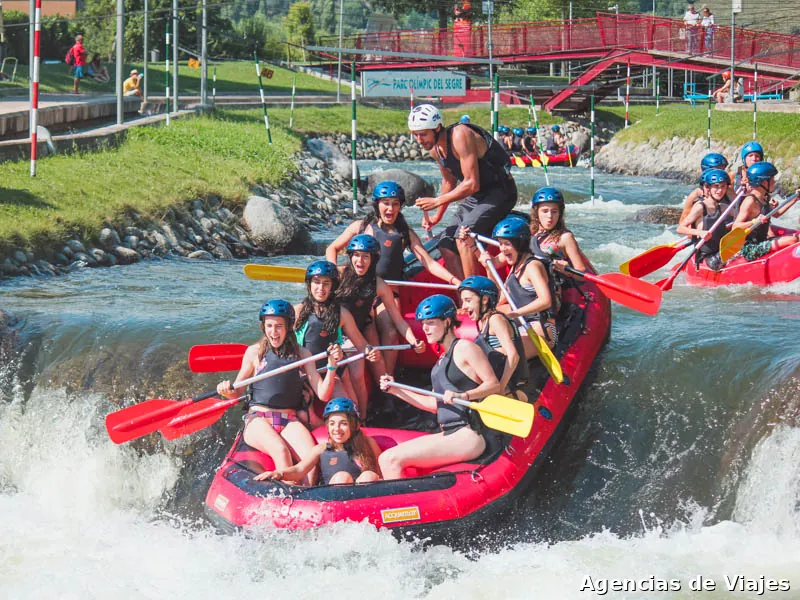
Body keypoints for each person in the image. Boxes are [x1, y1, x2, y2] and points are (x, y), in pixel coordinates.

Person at [326, 183, 456, 373]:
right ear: (377, 205)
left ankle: (387, 378)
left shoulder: (404, 233)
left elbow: (428, 263)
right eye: (386, 203)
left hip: (387, 293)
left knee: (391, 332)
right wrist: (332, 275)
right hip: (358, 291)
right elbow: (332, 248)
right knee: (369, 332)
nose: (390, 209)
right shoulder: (361, 227)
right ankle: (374, 374)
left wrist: (455, 282)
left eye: (395, 204)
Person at [216, 300, 343, 485]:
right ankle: (289, 496)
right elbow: (237, 392)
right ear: (263, 327)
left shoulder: (303, 354)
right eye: (269, 326)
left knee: (311, 461)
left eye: (279, 326)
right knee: (280, 450)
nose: (273, 332)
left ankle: (307, 495)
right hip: (257, 419)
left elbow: (323, 394)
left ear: (289, 327)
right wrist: (226, 390)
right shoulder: (254, 353)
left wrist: (332, 367)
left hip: (289, 420)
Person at [378, 295, 501, 480]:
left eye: (430, 323)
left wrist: (465, 395)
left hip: (469, 433)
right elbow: (433, 405)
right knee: (385, 458)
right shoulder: (440, 362)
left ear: (447, 321)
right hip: (450, 433)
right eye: (423, 324)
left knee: (391, 459)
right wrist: (395, 390)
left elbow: (493, 384)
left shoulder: (465, 348)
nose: (425, 328)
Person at [408, 104, 517, 279]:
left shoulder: (460, 135)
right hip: (478, 196)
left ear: (437, 128)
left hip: (501, 192)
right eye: (415, 135)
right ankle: (464, 292)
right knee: (445, 244)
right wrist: (437, 215)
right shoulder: (435, 149)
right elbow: (449, 181)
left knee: (463, 237)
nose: (419, 140)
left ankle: (476, 291)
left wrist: (437, 201)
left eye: (423, 134)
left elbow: (472, 183)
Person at [294, 260, 382, 421]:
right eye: (316, 282)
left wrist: (370, 352)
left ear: (333, 287)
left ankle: (362, 421)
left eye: (326, 283)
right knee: (305, 414)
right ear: (309, 284)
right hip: (306, 371)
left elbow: (361, 343)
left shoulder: (342, 314)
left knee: (350, 409)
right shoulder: (298, 312)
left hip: (332, 369)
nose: (321, 288)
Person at [477, 216, 557, 358]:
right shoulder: (515, 266)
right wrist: (488, 268)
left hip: (541, 328)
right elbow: (498, 300)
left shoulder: (532, 266)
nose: (502, 249)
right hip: (521, 324)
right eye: (500, 244)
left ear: (520, 244)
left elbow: (546, 301)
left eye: (507, 244)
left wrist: (515, 314)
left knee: (495, 357)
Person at [256, 398, 382, 485]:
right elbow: (299, 470)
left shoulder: (368, 443)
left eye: (343, 423)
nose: (337, 429)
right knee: (342, 477)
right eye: (332, 424)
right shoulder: (321, 449)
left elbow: (381, 473)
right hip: (336, 497)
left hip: (364, 498)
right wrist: (279, 473)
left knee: (369, 475)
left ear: (354, 425)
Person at [458, 276, 528, 400]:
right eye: (463, 301)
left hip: (509, 389)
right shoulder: (481, 322)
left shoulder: (496, 319)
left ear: (485, 299)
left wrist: (500, 388)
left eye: (468, 300)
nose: (464, 306)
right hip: (494, 387)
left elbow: (513, 356)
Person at [732, 162, 800, 261]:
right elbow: (735, 226)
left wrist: (795, 199)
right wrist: (754, 221)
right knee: (793, 239)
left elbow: (777, 213)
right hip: (749, 248)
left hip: (762, 241)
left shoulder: (765, 197)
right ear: (764, 182)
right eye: (772, 179)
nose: (774, 181)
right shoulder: (750, 201)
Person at [677, 169, 733, 270]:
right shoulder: (700, 207)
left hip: (721, 251)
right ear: (708, 188)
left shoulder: (722, 207)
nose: (720, 190)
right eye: (716, 186)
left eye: (723, 186)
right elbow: (680, 228)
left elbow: (740, 217)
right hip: (706, 255)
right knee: (720, 261)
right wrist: (699, 232)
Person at [530, 186, 589, 281]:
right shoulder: (529, 234)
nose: (550, 216)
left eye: (554, 211)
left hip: (555, 287)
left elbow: (582, 274)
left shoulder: (565, 237)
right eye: (545, 211)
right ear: (536, 212)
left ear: (560, 214)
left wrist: (569, 270)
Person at [679, 152, 731, 223]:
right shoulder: (695, 195)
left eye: (723, 169)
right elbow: (683, 219)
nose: (721, 172)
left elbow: (738, 208)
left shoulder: (727, 190)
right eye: (718, 169)